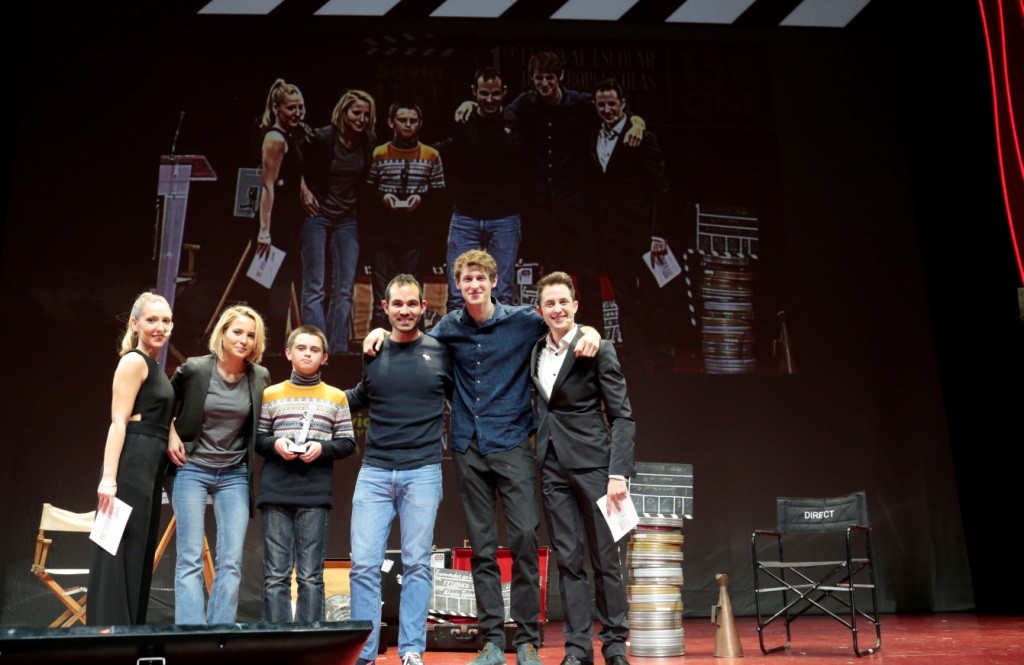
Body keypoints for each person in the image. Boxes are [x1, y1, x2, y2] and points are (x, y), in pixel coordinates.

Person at [364, 249, 600, 665]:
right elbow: (411, 338)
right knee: (483, 547)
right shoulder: (448, 328)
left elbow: (561, 322)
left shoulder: (523, 321)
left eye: (480, 278)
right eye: (466, 279)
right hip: (468, 446)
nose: (473, 285)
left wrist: (589, 331)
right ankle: (491, 641)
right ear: (457, 286)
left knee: (525, 538)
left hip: (512, 443)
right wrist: (380, 333)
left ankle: (525, 640)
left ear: (494, 282)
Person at [455, 52, 644, 329]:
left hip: (578, 205)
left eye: (549, 78)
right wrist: (469, 103)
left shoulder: (579, 103)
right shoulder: (525, 104)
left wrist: (637, 121)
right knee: (554, 276)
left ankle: (593, 334)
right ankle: (558, 333)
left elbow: (612, 112)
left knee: (588, 273)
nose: (544, 84)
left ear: (560, 77)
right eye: (539, 78)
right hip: (544, 207)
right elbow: (493, 108)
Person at [345, 274, 453, 665]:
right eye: (397, 304)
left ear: (423, 307)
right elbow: (363, 393)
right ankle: (364, 653)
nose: (404, 311)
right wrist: (317, 399)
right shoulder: (373, 349)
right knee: (363, 566)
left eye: (411, 304)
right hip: (374, 471)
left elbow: (463, 400)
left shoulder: (441, 351)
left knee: (418, 565)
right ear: (385, 308)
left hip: (422, 471)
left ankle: (411, 650)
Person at [530, 272, 635, 665]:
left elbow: (623, 416)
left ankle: (614, 645)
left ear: (575, 306)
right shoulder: (535, 350)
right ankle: (577, 649)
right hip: (552, 467)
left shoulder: (597, 347)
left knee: (605, 558)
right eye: (550, 303)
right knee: (569, 560)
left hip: (595, 467)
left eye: (564, 302)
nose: (557, 309)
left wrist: (618, 473)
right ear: (540, 310)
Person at [165, 304, 272, 625]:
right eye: (237, 332)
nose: (243, 340)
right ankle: (190, 635)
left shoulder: (260, 377)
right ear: (222, 333)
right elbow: (161, 403)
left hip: (234, 474)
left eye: (250, 335)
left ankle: (219, 635)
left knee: (231, 561)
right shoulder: (196, 369)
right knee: (190, 558)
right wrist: (171, 433)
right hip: (192, 468)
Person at [255, 325, 356, 623]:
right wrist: (275, 444)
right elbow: (258, 439)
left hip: (314, 493)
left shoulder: (336, 397)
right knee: (276, 574)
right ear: (288, 353)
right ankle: (277, 638)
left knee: (311, 575)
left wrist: (322, 448)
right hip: (276, 491)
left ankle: (311, 639)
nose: (307, 354)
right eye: (301, 348)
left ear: (325, 357)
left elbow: (348, 442)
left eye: (314, 350)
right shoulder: (271, 394)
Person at [88, 292, 175, 625]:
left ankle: (129, 629)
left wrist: (171, 432)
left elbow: (158, 412)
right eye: (152, 320)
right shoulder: (134, 362)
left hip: (150, 464)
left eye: (166, 321)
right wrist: (109, 479)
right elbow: (118, 422)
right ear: (135, 324)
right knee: (118, 547)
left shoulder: (154, 366)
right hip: (133, 462)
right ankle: (109, 630)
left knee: (137, 547)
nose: (160, 327)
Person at [590, 78, 675, 373]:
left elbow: (660, 189)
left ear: (623, 104)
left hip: (642, 234)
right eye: (601, 104)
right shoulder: (593, 135)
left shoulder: (641, 136)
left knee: (654, 295)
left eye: (612, 103)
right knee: (624, 298)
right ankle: (635, 362)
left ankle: (664, 359)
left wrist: (658, 233)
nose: (607, 109)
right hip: (611, 235)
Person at [435, 67, 527, 311]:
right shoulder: (462, 121)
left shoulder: (516, 121)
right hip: (465, 215)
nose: (489, 99)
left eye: (495, 93)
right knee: (458, 293)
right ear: (474, 92)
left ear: (504, 92)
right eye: (484, 93)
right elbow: (441, 152)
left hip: (505, 218)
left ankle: (498, 337)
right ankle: (458, 337)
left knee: (501, 292)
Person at [301, 89, 377, 356]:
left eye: (366, 114)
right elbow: (294, 163)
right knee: (314, 287)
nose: (361, 119)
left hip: (348, 218)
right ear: (343, 112)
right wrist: (302, 190)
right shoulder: (323, 138)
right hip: (318, 213)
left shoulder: (368, 141)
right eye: (356, 112)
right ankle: (314, 348)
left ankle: (338, 351)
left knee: (344, 289)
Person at [366, 102, 445, 329]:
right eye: (403, 120)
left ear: (420, 124)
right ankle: (381, 343)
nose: (408, 125)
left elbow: (440, 193)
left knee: (412, 293)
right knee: (383, 295)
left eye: (413, 120)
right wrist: (383, 198)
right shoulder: (379, 153)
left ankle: (412, 343)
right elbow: (367, 190)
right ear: (391, 122)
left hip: (415, 235)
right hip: (384, 234)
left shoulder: (431, 155)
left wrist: (421, 198)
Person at [255, 79, 309, 347]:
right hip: (275, 223)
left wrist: (304, 191)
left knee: (283, 284)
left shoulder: (289, 137)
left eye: (300, 107)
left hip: (289, 221)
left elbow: (293, 173)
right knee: (269, 285)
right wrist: (265, 232)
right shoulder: (274, 139)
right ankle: (269, 345)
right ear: (277, 108)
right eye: (291, 108)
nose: (297, 113)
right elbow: (268, 186)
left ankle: (276, 342)